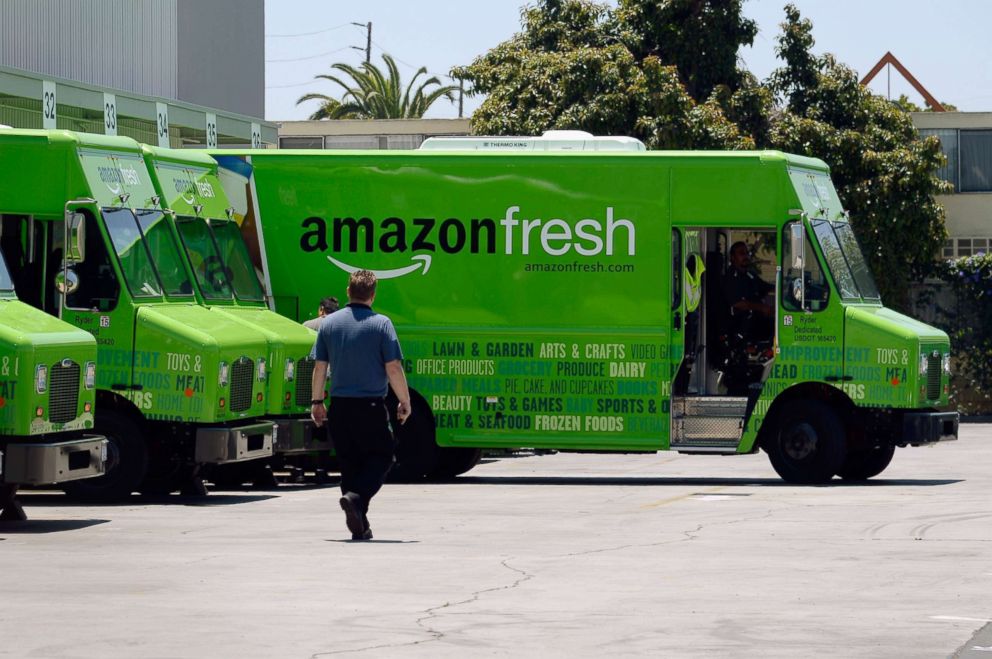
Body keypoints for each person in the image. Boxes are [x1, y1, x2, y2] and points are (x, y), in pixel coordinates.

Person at [310, 271, 411, 540]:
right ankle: (356, 500)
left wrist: (317, 401)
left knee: (350, 464)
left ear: (348, 291)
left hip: (340, 407)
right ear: (373, 294)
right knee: (383, 456)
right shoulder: (382, 324)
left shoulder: (328, 325)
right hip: (370, 407)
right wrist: (404, 400)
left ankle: (360, 525)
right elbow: (393, 367)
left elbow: (320, 367)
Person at [723, 241, 774, 343]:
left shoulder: (750, 275)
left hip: (755, 321)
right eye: (742, 253)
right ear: (733, 258)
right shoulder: (731, 277)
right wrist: (763, 308)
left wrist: (784, 288)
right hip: (740, 326)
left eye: (747, 253)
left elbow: (766, 287)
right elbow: (738, 303)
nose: (746, 256)